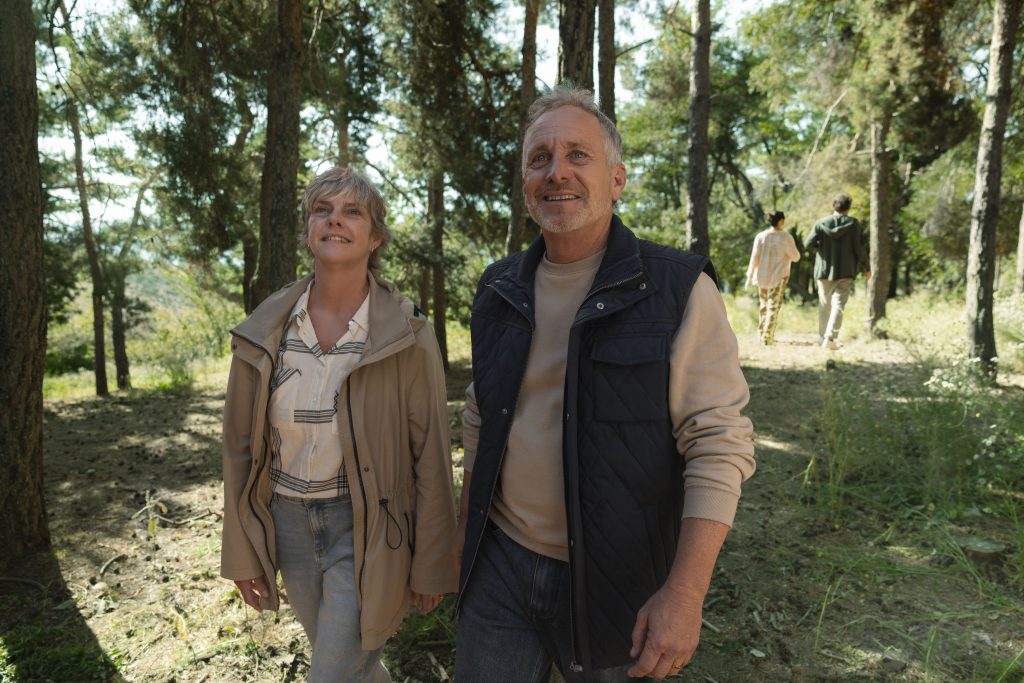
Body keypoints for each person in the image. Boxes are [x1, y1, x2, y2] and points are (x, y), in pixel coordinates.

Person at [452, 85, 756, 682]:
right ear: (524, 186)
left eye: (578, 155)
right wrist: (465, 536)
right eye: (539, 158)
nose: (556, 171)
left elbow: (719, 445)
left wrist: (686, 594)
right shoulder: (497, 291)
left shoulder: (678, 290)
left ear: (617, 180)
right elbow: (482, 419)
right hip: (501, 569)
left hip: (621, 583)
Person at [220, 167, 457, 682]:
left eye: (353, 212)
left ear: (375, 237)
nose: (335, 221)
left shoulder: (408, 333)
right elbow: (239, 449)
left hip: (371, 527)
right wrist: (243, 551)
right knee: (353, 666)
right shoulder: (266, 329)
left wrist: (433, 559)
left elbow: (431, 453)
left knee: (332, 673)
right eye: (322, 211)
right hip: (288, 525)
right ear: (308, 230)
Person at [805, 193, 870, 350]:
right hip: (846, 270)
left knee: (824, 303)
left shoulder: (820, 223)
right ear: (848, 208)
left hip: (824, 270)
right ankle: (831, 338)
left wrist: (821, 250)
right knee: (838, 305)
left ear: (833, 206)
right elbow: (859, 248)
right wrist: (866, 268)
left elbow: (808, 244)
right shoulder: (853, 224)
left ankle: (822, 337)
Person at [745, 210, 800, 346]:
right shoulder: (786, 237)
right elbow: (796, 257)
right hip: (778, 275)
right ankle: (767, 337)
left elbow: (754, 258)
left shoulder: (760, 237)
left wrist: (750, 275)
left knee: (763, 305)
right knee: (773, 306)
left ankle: (761, 333)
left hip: (762, 276)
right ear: (780, 221)